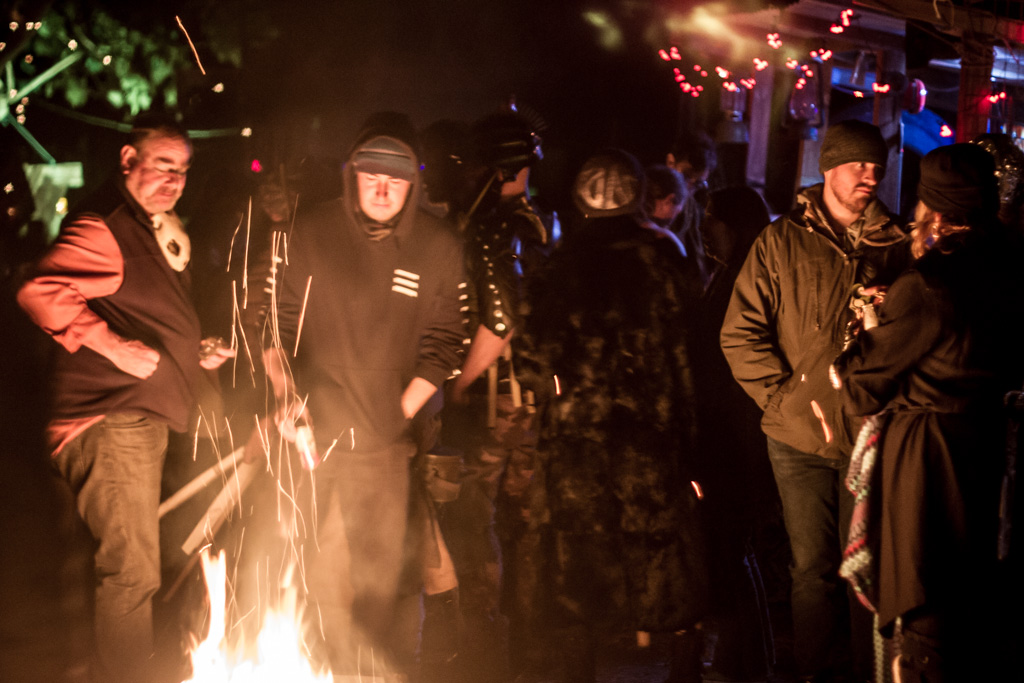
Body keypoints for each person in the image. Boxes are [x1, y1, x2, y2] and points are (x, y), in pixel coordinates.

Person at [16, 114, 234, 683]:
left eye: (182, 170)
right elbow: (38, 291)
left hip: (132, 420)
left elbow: (140, 311)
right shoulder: (106, 226)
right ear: (128, 161)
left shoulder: (152, 227)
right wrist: (113, 347)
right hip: (109, 421)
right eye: (162, 166)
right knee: (132, 575)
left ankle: (88, 668)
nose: (174, 180)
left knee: (114, 566)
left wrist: (193, 352)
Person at [264, 112, 465, 677]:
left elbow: (445, 343)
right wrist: (285, 396)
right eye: (371, 176)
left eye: (395, 180)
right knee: (311, 576)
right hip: (312, 444)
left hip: (386, 449)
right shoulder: (310, 233)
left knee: (384, 584)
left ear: (413, 184)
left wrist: (395, 413)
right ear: (351, 175)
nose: (382, 190)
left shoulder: (437, 246)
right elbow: (275, 324)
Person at [720, 120, 910, 683]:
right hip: (797, 439)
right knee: (811, 570)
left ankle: (865, 672)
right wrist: (783, 401)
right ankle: (814, 673)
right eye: (857, 165)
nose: (870, 176)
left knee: (864, 570)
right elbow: (740, 332)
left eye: (877, 167)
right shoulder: (781, 241)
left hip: (869, 435)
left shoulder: (898, 246)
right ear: (828, 168)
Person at [835, 144, 1023, 682]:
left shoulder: (929, 282)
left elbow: (862, 387)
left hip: (927, 459)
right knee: (969, 600)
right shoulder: (1009, 267)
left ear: (933, 209)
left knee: (925, 602)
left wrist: (869, 333)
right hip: (983, 443)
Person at [519, 149, 709, 683]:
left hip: (576, 444)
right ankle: (684, 672)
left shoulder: (558, 265)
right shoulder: (664, 258)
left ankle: (577, 672)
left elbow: (532, 361)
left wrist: (558, 391)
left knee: (575, 566)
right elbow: (691, 355)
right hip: (653, 438)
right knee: (666, 557)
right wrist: (692, 439)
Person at [439, 108, 555, 683]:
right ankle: (526, 650)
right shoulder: (540, 222)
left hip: (495, 399)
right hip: (533, 397)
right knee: (523, 526)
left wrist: (461, 382)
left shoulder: (495, 226)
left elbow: (501, 319)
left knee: (474, 519)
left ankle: (483, 653)